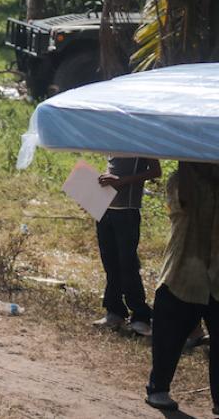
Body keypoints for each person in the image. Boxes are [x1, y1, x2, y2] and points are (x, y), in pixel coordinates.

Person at [144, 162, 219, 412]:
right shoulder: (180, 180)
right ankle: (158, 389)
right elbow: (184, 202)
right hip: (183, 273)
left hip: (217, 275)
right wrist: (186, 156)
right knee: (169, 335)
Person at [93, 157, 161, 335]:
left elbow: (156, 171)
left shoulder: (141, 138)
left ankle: (141, 315)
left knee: (127, 264)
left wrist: (122, 181)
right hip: (105, 208)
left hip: (127, 210)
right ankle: (114, 311)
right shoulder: (114, 137)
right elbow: (112, 168)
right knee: (110, 262)